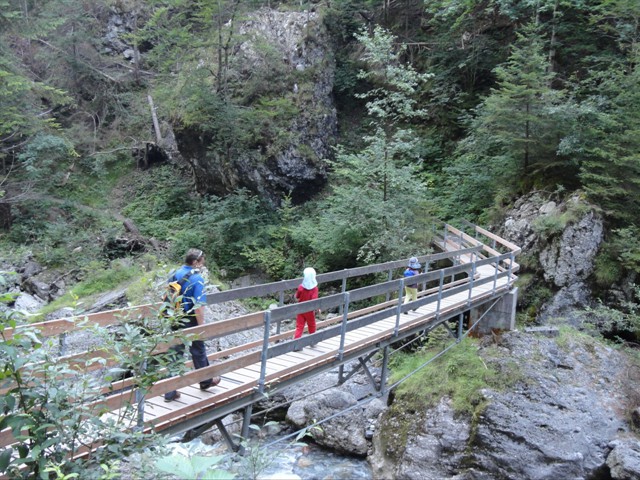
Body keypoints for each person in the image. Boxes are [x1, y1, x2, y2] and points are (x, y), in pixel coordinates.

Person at [164, 248, 220, 402]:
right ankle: (205, 381)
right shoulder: (197, 279)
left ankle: (169, 392)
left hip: (175, 317)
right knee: (198, 350)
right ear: (195, 262)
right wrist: (201, 327)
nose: (203, 263)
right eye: (202, 260)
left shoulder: (175, 273)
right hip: (190, 319)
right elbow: (199, 306)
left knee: (175, 354)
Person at [293, 267, 319, 350]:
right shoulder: (314, 289)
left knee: (299, 326)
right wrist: (317, 309)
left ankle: (296, 344)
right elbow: (314, 301)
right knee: (311, 325)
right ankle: (312, 341)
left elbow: (297, 296)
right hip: (309, 310)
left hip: (300, 309)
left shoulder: (301, 287)